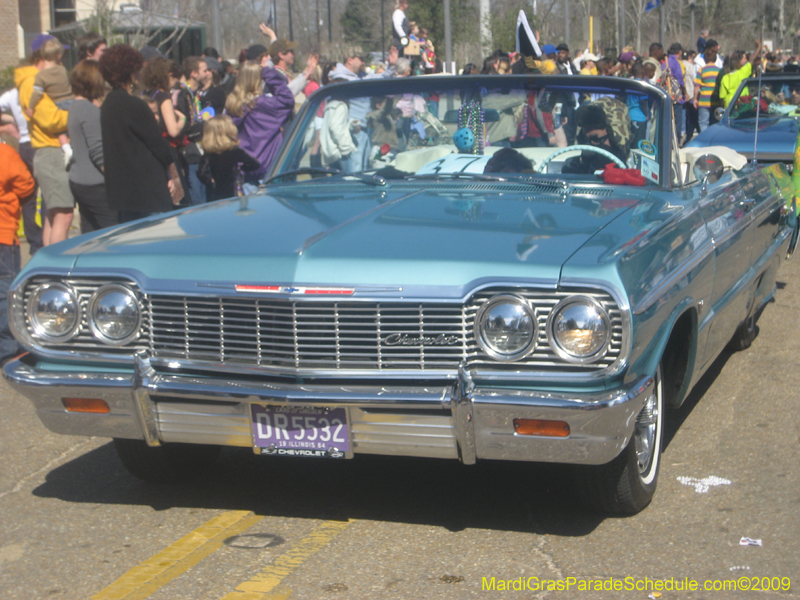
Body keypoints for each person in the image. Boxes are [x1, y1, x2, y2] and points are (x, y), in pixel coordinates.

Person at [99, 44, 177, 222]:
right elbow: (157, 143)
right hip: (147, 191)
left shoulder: (108, 105)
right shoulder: (134, 105)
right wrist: (170, 165)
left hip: (123, 192)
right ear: (131, 73)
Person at [17, 34, 75, 247]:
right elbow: (50, 120)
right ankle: (57, 263)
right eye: (57, 55)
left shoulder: (42, 79)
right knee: (64, 214)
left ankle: (50, 261)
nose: (61, 59)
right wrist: (79, 113)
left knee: (54, 214)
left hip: (53, 151)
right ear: (43, 56)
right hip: (50, 152)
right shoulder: (32, 82)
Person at [327, 46, 398, 172]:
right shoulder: (340, 80)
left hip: (366, 130)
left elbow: (381, 78)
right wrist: (352, 126)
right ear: (350, 60)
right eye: (360, 59)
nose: (363, 62)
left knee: (365, 168)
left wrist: (391, 66)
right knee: (355, 171)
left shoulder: (360, 77)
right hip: (353, 133)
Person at [225, 61, 294, 189]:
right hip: (270, 169)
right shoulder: (266, 104)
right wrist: (267, 72)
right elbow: (287, 98)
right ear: (258, 79)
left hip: (244, 170)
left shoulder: (233, 105)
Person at [67, 60, 118, 234]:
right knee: (112, 233)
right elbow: (98, 151)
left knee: (90, 233)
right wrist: (114, 178)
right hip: (95, 183)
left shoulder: (74, 106)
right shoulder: (89, 110)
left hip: (78, 181)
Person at [0, 140, 34, 363]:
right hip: (3, 234)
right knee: (5, 291)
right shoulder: (4, 152)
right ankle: (8, 350)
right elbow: (26, 185)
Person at [0, 84, 42, 255]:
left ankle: (36, 239)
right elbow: (25, 188)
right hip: (4, 236)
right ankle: (40, 240)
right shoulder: (6, 155)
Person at [25, 38, 73, 168]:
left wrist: (30, 107)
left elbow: (37, 93)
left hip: (58, 103)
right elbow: (52, 121)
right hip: (70, 100)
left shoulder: (40, 76)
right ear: (58, 56)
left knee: (61, 131)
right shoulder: (62, 70)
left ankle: (66, 148)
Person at [562, 97, 632, 175]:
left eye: (596, 139)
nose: (591, 146)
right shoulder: (573, 166)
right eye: (587, 140)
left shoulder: (632, 168)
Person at [197, 115, 260, 201]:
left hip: (216, 194)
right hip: (233, 192)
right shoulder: (234, 151)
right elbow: (255, 164)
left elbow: (201, 173)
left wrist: (209, 180)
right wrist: (242, 168)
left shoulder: (208, 154)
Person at [720, 41, 762, 108]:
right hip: (742, 104)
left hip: (729, 106)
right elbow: (752, 60)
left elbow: (722, 97)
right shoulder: (742, 73)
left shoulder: (724, 78)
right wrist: (759, 47)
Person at [693, 40, 723, 131]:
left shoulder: (702, 70)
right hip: (715, 100)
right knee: (714, 123)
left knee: (703, 123)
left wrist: (695, 99)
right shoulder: (719, 71)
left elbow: (697, 86)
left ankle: (704, 138)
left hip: (703, 101)